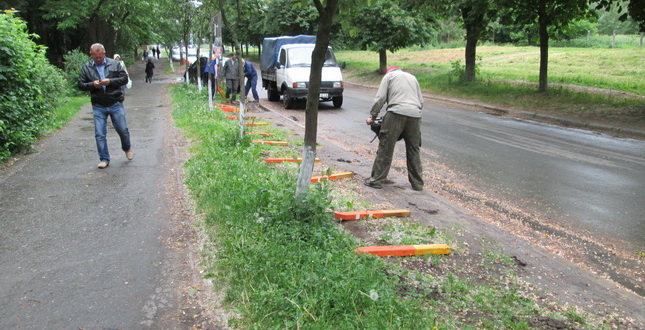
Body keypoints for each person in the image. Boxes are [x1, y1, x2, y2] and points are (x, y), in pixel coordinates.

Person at [364, 66, 424, 191]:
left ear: (389, 71)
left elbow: (380, 98)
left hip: (396, 112)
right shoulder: (413, 78)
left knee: (386, 147)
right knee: (414, 149)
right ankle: (417, 184)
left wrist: (373, 116)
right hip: (415, 114)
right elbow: (421, 102)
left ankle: (376, 180)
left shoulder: (389, 76)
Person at [78, 43, 133, 169]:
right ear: (91, 55)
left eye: (100, 57)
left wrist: (110, 82)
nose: (98, 59)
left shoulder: (114, 64)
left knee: (122, 129)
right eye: (95, 57)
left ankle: (127, 148)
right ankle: (104, 158)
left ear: (104, 53)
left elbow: (124, 79)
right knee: (100, 133)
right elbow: (80, 84)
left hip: (115, 102)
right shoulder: (86, 67)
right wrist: (93, 85)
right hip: (98, 104)